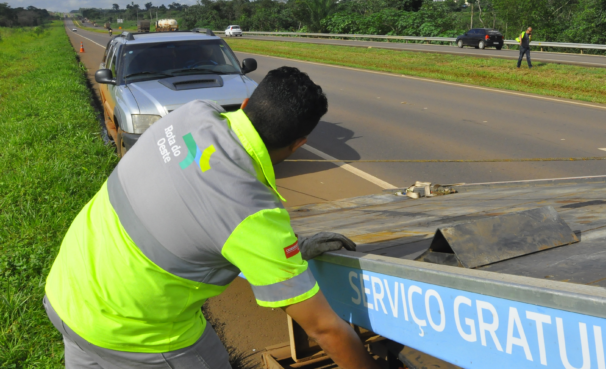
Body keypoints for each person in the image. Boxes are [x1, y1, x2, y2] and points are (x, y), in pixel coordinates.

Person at [44, 66, 380, 369]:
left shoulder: (191, 114)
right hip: (135, 333)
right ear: (299, 144)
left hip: (66, 294)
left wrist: (293, 250)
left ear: (246, 105)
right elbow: (324, 329)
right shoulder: (253, 213)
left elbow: (195, 216)